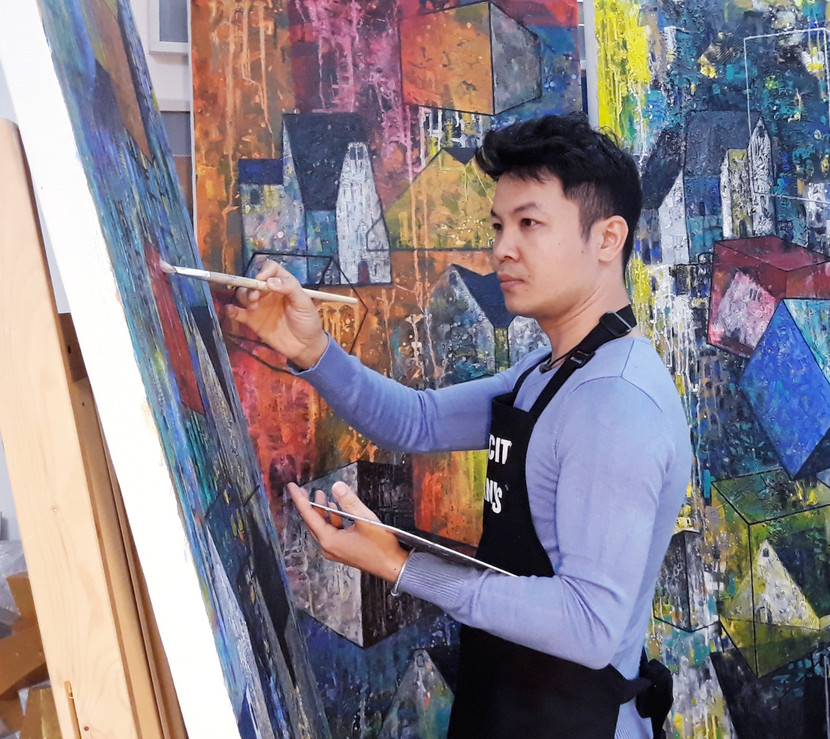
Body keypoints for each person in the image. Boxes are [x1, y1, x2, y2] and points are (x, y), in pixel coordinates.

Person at [227, 112, 691, 738]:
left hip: (575, 722)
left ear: (608, 239)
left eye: (529, 223)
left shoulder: (615, 402)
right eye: (499, 225)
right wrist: (311, 350)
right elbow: (415, 422)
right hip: (509, 703)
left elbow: (589, 624)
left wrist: (401, 567)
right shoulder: (551, 371)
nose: (502, 249)